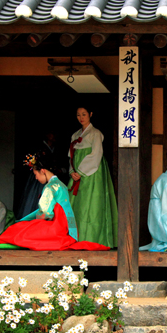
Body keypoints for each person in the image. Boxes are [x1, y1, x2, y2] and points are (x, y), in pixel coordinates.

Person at [0, 153, 108, 251]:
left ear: (43, 171)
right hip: (67, 227)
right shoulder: (62, 184)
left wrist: (31, 220)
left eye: (36, 175)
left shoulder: (50, 187)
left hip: (56, 227)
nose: (36, 178)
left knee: (16, 230)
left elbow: (45, 214)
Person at [68, 106, 118, 248]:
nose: (81, 117)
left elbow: (96, 154)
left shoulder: (95, 133)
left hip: (91, 173)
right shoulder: (75, 135)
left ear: (90, 114)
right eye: (78, 115)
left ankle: (91, 238)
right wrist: (72, 170)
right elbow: (71, 156)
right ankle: (74, 238)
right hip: (77, 172)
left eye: (84, 114)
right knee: (76, 204)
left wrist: (80, 172)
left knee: (91, 205)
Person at [17, 131, 59, 219]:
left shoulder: (55, 149)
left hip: (48, 176)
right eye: (51, 133)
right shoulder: (40, 148)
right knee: (35, 198)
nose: (53, 136)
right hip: (40, 175)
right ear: (47, 135)